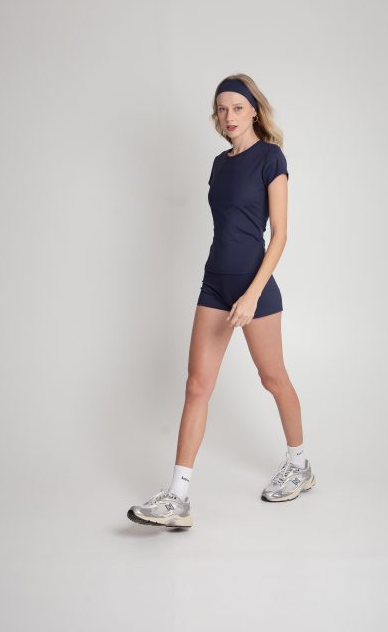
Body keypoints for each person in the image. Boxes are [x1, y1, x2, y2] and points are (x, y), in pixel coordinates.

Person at [127, 74, 316, 529]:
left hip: (254, 286)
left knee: (272, 378)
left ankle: (299, 463)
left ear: (254, 110)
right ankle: (178, 497)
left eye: (237, 107)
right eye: (221, 108)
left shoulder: (271, 157)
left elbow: (280, 235)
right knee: (197, 385)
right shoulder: (219, 164)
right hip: (214, 284)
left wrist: (252, 295)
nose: (228, 116)